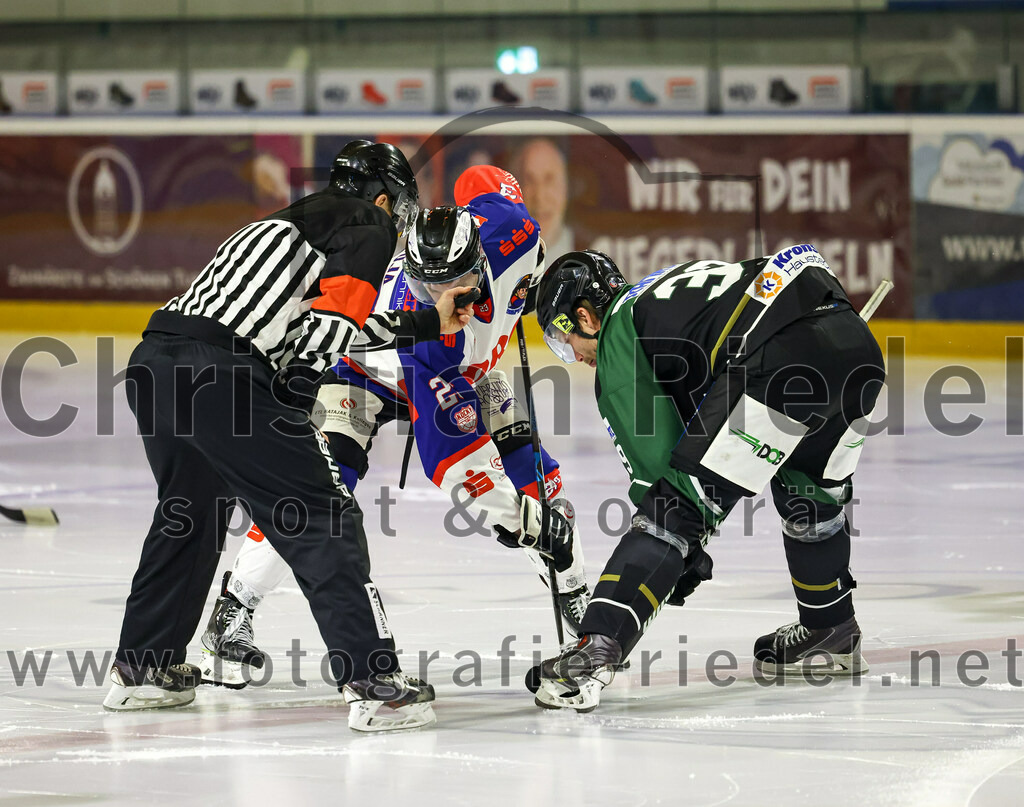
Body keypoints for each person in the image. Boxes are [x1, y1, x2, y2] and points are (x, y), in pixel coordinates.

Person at [106, 140, 477, 733]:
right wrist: (296, 400)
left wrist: (428, 321)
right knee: (324, 513)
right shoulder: (369, 221)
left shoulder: (283, 225)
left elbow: (321, 319)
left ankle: (143, 671)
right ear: (384, 198)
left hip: (156, 362)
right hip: (222, 374)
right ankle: (373, 683)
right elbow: (332, 323)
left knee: (188, 512)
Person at [199, 167, 591, 690]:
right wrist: (525, 524)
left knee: (538, 475)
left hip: (477, 372)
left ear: (478, 253)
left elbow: (481, 180)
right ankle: (231, 611)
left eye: (453, 281)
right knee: (316, 487)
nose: (440, 293)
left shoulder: (513, 228)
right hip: (371, 370)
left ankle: (584, 613)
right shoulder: (429, 333)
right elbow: (455, 468)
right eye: (427, 284)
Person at [530, 246, 886, 711]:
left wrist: (680, 549)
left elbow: (663, 479)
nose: (573, 358)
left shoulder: (620, 329)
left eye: (563, 343)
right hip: (857, 352)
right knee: (811, 494)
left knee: (673, 508)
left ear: (585, 317)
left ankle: (596, 648)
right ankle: (830, 627)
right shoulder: (662, 292)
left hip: (777, 360)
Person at [512, 138, 573, 260]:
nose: (539, 197)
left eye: (549, 180)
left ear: (565, 187)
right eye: (529, 181)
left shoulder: (592, 250)